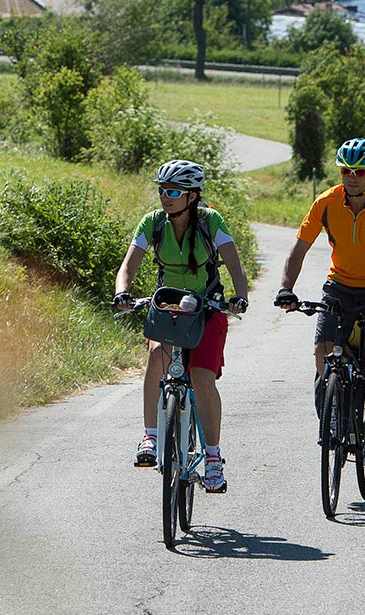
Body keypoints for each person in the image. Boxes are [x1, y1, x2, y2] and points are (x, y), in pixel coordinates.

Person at [273, 138, 365, 466]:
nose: (352, 176)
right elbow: (298, 250)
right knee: (321, 348)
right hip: (340, 286)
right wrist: (286, 288)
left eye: (359, 171)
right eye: (346, 170)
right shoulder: (326, 204)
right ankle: (334, 409)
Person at [113, 160, 251, 493]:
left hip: (208, 305)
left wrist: (240, 297)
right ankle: (150, 436)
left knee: (202, 378)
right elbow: (128, 266)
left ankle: (213, 459)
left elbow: (234, 265)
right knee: (157, 358)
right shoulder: (153, 223)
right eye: (162, 190)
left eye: (173, 191)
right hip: (169, 304)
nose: (165, 197)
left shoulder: (210, 221)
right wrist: (122, 292)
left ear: (191, 195)